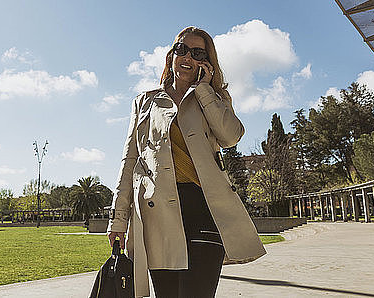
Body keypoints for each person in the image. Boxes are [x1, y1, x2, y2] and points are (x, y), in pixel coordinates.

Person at [107, 26, 266, 298]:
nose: (187, 56)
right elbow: (129, 162)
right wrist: (118, 221)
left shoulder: (215, 99)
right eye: (181, 49)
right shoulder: (145, 102)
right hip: (159, 216)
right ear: (171, 55)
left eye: (197, 52)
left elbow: (231, 137)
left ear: (207, 62)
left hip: (204, 210)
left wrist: (204, 89)